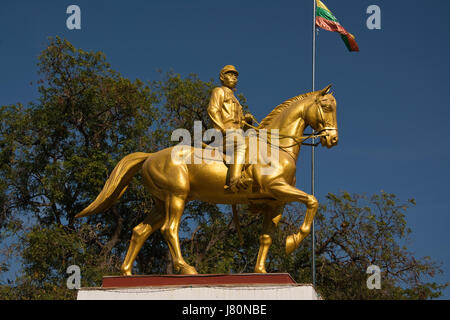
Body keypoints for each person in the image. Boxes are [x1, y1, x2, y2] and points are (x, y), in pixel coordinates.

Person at [207, 65, 254, 192]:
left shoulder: (237, 101)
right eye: (230, 74)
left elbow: (240, 124)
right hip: (225, 135)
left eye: (235, 75)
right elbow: (213, 110)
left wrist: (246, 120)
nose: (234, 77)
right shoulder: (219, 91)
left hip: (236, 133)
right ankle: (234, 182)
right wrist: (221, 129)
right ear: (222, 77)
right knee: (240, 144)